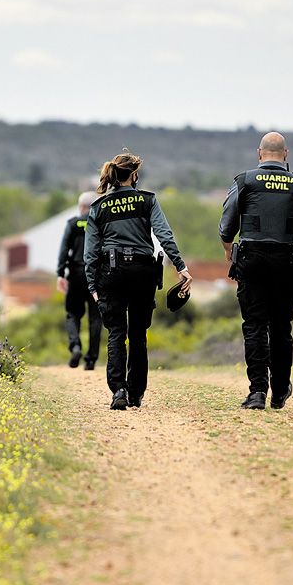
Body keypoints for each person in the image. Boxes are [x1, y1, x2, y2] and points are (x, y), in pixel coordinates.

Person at [220, 132, 293, 410]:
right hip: (285, 262)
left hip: (251, 260)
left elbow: (226, 225)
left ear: (259, 153)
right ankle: (280, 391)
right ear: (286, 154)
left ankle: (257, 392)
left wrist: (227, 248)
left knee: (254, 326)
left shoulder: (245, 180)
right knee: (281, 328)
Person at [85, 152, 193, 410]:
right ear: (133, 175)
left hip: (110, 273)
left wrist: (92, 285)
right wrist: (181, 266)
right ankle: (135, 394)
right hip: (142, 273)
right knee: (137, 334)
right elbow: (164, 236)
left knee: (116, 333)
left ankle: (118, 390)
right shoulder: (148, 200)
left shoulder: (98, 207)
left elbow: (90, 253)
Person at [57, 191, 102, 370]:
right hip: (97, 276)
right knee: (96, 318)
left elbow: (63, 250)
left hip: (76, 274)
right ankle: (91, 359)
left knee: (73, 314)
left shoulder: (72, 224)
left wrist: (61, 273)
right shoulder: (101, 224)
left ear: (81, 206)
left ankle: (75, 346)